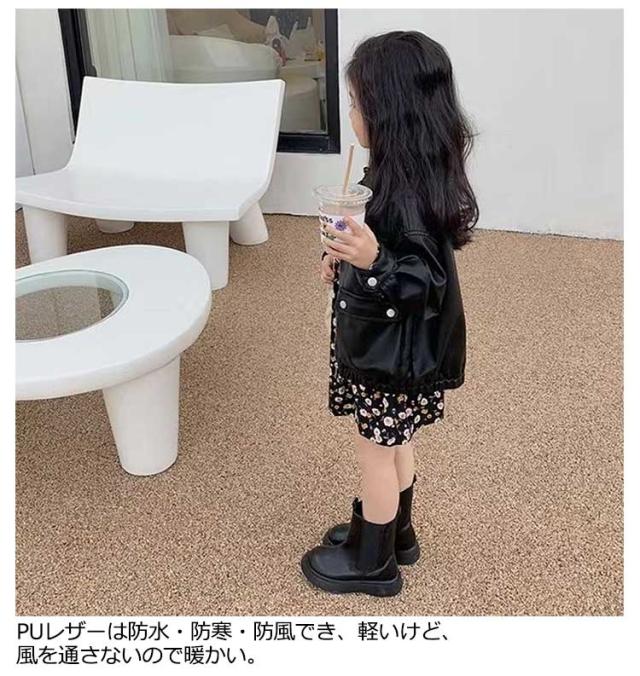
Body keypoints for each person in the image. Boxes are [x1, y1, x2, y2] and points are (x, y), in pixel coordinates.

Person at [300, 31, 478, 597]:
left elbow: (424, 280)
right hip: (396, 353)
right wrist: (344, 260)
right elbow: (384, 251)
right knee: (395, 442)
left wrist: (373, 260)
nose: (350, 114)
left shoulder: (405, 197)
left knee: (374, 451)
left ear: (389, 112)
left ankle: (373, 562)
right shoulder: (396, 178)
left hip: (391, 359)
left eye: (356, 104)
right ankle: (398, 533)